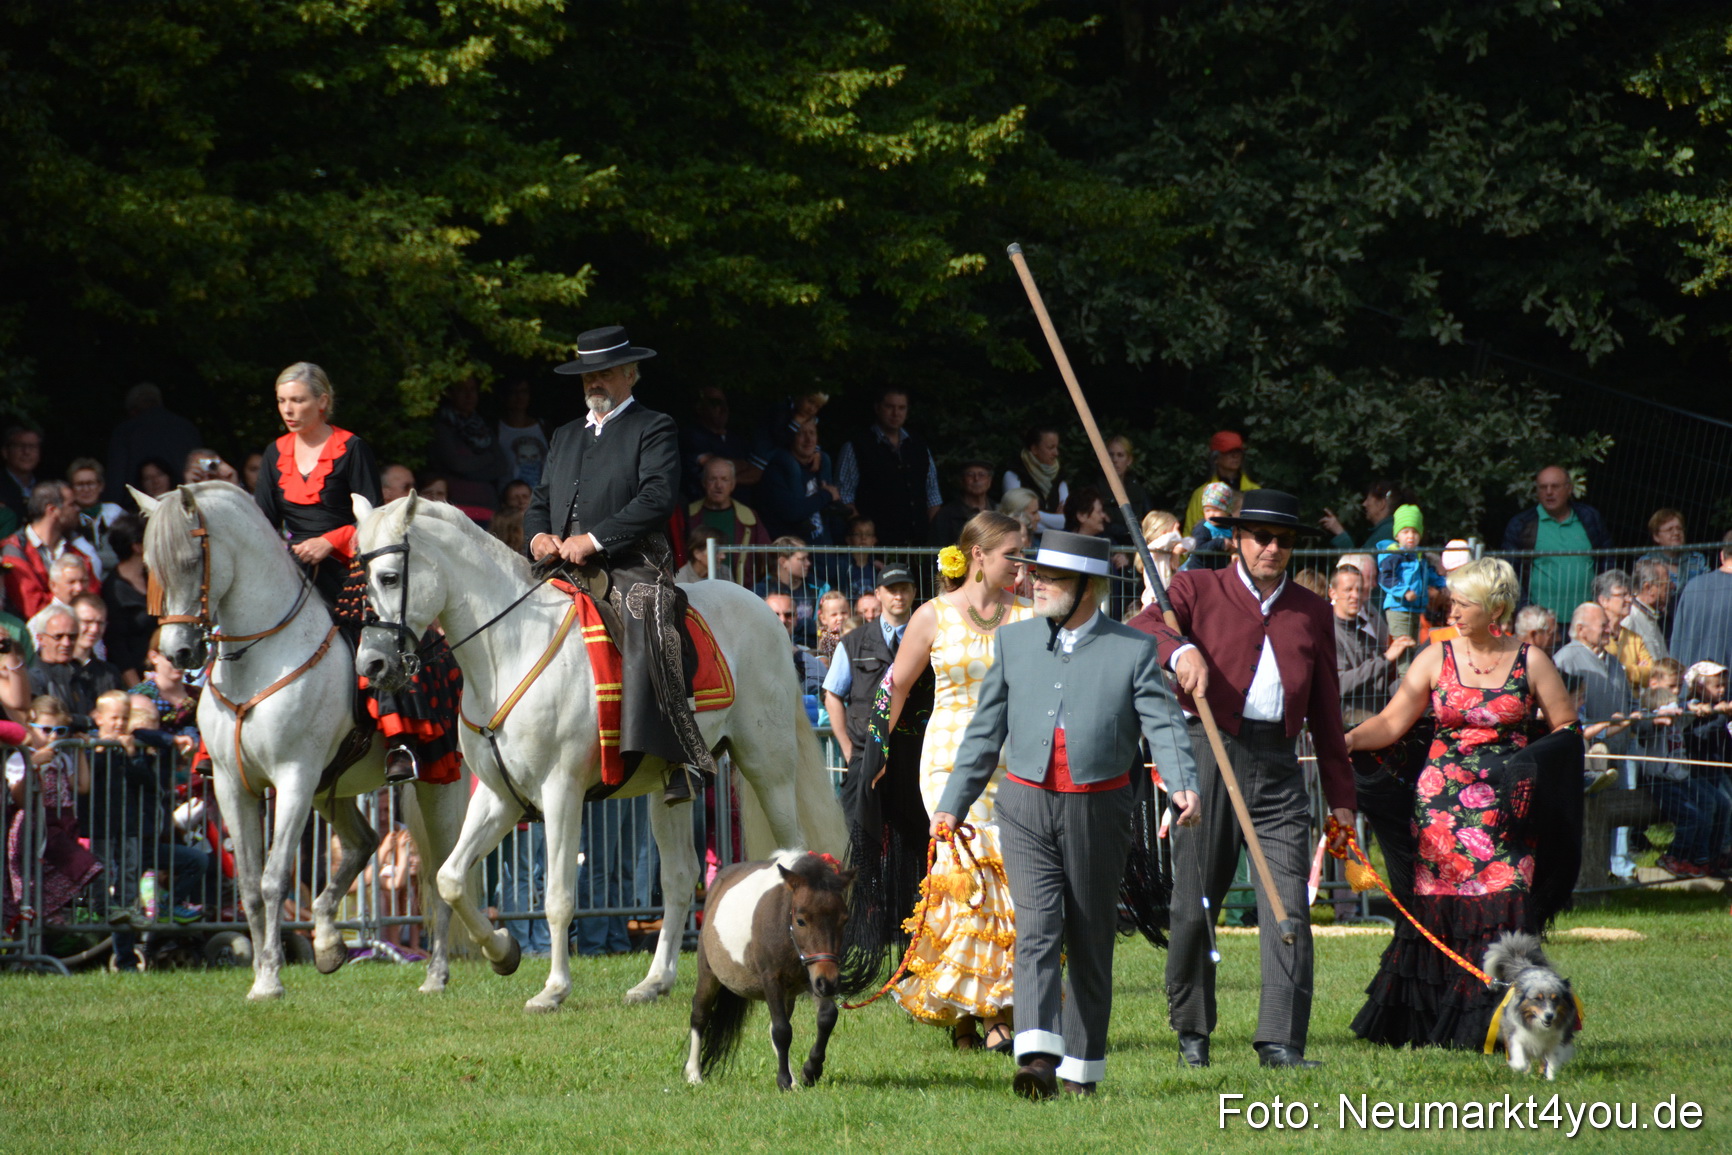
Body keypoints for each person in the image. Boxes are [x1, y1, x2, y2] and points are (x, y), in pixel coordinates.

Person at [930, 530, 1198, 1099]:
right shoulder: (1016, 641)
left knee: (1090, 936)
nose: (1036, 582)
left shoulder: (1132, 650)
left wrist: (1182, 787)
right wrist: (952, 803)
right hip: (1023, 805)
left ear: (1088, 587)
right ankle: (1035, 1057)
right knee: (1037, 927)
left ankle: (1081, 1072)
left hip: (1099, 809)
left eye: (1050, 576)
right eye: (1036, 573)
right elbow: (983, 734)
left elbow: (1165, 727)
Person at [1128, 488, 1356, 1070]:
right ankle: (1193, 1035)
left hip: (1279, 767)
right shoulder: (1195, 587)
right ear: (1236, 538)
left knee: (1289, 907)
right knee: (1193, 902)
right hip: (1206, 753)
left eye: (1282, 539)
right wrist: (1180, 652)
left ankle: (1281, 1041)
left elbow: (1329, 716)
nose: (1272, 548)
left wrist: (1343, 802)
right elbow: (1142, 627)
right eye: (1260, 537)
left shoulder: (1312, 610)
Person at [1344, 557, 1580, 1048]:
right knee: (1440, 908)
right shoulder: (1435, 657)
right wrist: (1342, 741)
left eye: (1463, 603)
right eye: (1451, 601)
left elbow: (1566, 731)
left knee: (1509, 900)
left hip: (1508, 813)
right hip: (1439, 812)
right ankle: (1434, 1024)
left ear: (1494, 608)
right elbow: (1390, 724)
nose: (1451, 610)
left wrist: (1534, 768)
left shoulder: (1532, 660)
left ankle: (1507, 1025)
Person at [526, 325, 716, 806]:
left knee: (647, 611)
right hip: (560, 565)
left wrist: (592, 540)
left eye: (605, 373)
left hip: (632, 562)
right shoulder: (566, 435)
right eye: (588, 375)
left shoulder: (654, 426)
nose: (595, 383)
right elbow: (541, 500)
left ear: (630, 374)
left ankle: (677, 756)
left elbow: (656, 497)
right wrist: (537, 536)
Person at [256, 360, 461, 787]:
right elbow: (263, 519)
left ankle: (401, 742)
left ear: (323, 402)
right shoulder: (275, 452)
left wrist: (329, 541)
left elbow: (372, 517)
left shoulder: (352, 448)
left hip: (347, 565)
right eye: (282, 401)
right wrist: (279, 551)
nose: (288, 410)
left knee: (379, 635)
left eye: (298, 400)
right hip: (292, 566)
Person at [884, 512, 1032, 1052]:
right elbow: (893, 686)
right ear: (979, 556)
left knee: (1009, 883)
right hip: (947, 763)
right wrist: (875, 749)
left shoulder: (1031, 615)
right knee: (966, 880)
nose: (1021, 563)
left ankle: (979, 1011)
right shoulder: (933, 615)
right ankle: (986, 1014)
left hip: (1012, 762)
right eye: (1013, 553)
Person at [824, 567, 930, 972]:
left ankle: (913, 938)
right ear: (878, 593)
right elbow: (833, 694)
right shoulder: (853, 642)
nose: (899, 595)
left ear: (913, 591)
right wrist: (850, 749)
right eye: (891, 588)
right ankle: (864, 939)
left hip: (914, 760)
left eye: (905, 587)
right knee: (861, 846)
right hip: (865, 761)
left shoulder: (930, 638)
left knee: (916, 849)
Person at [4, 695, 100, 930]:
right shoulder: (20, 757)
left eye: (60, 731)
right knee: (73, 866)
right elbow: (19, 798)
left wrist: (78, 751)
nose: (54, 737)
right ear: (30, 727)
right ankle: (27, 934)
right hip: (35, 825)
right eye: (46, 730)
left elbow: (82, 786)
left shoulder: (62, 758)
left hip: (62, 824)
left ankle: (43, 925)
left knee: (59, 872)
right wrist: (33, 764)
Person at [1500, 465, 1613, 624]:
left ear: (1569, 489)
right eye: (1543, 487)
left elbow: (1607, 563)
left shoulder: (1589, 518)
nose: (1549, 492)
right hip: (1541, 625)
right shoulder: (1521, 524)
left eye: (1555, 486)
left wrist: (1601, 605)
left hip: (1587, 620)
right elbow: (1510, 574)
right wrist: (1526, 611)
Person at [835, 388, 943, 548]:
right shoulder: (857, 446)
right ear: (877, 408)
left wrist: (931, 535)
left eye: (901, 408)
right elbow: (844, 496)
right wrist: (864, 535)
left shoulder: (919, 446)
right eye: (889, 407)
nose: (895, 413)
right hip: (876, 545)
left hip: (919, 545)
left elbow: (933, 496)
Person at [3, 481, 102, 619]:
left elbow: (93, 602)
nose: (78, 508)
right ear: (52, 510)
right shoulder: (13, 550)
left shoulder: (77, 553)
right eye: (72, 504)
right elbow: (34, 608)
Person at [1331, 565, 1408, 724]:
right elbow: (1339, 684)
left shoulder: (1367, 637)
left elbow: (1386, 685)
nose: (1355, 595)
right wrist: (1385, 659)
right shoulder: (1327, 635)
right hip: (1345, 728)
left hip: (1377, 725)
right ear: (1333, 593)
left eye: (1359, 590)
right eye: (1348, 589)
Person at [103, 382, 203, 505]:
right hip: (187, 503)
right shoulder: (187, 428)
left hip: (141, 508)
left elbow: (117, 477)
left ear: (133, 411)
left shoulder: (126, 432)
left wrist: (112, 507)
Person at [1376, 505, 1445, 673]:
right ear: (1397, 535)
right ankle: (1405, 683)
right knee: (1403, 649)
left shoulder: (1420, 556)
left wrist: (1446, 584)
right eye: (1405, 532)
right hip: (1398, 608)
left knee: (1414, 648)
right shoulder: (1393, 555)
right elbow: (1385, 578)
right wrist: (1404, 591)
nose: (1410, 537)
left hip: (1415, 609)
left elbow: (1430, 575)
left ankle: (1412, 679)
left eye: (1415, 532)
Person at [686, 457, 770, 582]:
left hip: (740, 590)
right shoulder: (689, 514)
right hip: (695, 589)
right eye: (712, 479)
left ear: (733, 484)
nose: (718, 485)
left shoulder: (748, 516)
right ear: (703, 482)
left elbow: (766, 553)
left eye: (724, 480)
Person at [758, 416, 838, 545]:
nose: (808, 439)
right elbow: (792, 511)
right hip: (794, 556)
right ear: (791, 438)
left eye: (812, 433)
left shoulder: (820, 466)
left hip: (825, 552)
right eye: (801, 433)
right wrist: (826, 495)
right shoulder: (777, 471)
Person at [29, 606, 124, 715]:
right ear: (40, 639)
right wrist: (89, 721)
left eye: (72, 637)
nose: (66, 643)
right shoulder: (31, 676)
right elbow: (49, 718)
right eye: (58, 637)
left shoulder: (82, 672)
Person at [679, 385, 759, 501]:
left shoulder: (737, 439)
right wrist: (741, 466)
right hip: (704, 512)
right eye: (715, 403)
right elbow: (713, 465)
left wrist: (726, 478)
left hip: (739, 514)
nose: (723, 408)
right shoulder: (691, 436)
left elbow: (755, 472)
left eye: (725, 403)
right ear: (700, 407)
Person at [1670, 530, 1732, 673]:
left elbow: (1677, 641)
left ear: (1722, 555)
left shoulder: (1693, 587)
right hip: (1726, 688)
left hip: (1691, 684)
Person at [751, 536, 827, 648]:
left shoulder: (819, 588)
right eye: (802, 559)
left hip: (811, 647)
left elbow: (822, 626)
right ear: (783, 562)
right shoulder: (761, 591)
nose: (808, 563)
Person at [1636, 507, 1710, 614]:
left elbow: (1708, 588)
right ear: (1656, 537)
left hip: (1695, 613)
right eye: (1669, 529)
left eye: (1679, 528)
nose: (1676, 533)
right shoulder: (1646, 562)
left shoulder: (1697, 559)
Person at [1182, 429, 1259, 533]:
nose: (1235, 456)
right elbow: (1190, 534)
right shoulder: (1201, 493)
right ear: (1215, 458)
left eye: (1238, 452)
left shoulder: (1255, 491)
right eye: (1229, 452)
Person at [1592, 569, 1652, 693]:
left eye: (1630, 594)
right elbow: (1602, 672)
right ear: (1604, 600)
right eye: (1622, 595)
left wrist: (1624, 670)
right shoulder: (1594, 636)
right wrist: (1637, 671)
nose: (1629, 600)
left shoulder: (1634, 638)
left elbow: (1651, 673)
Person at [1001, 427, 1067, 533]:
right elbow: (1017, 518)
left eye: (1057, 447)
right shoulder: (1014, 475)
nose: (1056, 453)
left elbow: (1066, 520)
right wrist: (1055, 519)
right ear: (1034, 449)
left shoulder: (1059, 477)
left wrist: (1031, 515)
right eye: (1051, 447)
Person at [67, 458, 126, 574]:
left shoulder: (115, 513)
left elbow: (129, 555)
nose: (86, 489)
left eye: (90, 483)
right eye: (80, 485)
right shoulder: (68, 519)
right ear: (71, 489)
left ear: (101, 486)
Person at [1321, 479, 1411, 552]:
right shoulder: (1390, 528)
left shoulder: (1386, 532)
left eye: (1368, 499)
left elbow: (1361, 563)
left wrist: (1339, 532)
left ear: (1381, 504)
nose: (1364, 504)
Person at [24, 553, 93, 643]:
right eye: (71, 582)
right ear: (53, 586)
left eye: (83, 581)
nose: (79, 588)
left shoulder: (93, 619)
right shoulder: (39, 623)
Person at [496, 378, 551, 490]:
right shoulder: (496, 428)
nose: (519, 397)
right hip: (507, 496)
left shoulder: (544, 427)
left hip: (541, 496)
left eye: (523, 392)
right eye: (513, 392)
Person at [930, 460, 995, 550]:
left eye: (981, 475)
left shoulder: (998, 510)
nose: (976, 479)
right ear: (961, 480)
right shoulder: (946, 515)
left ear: (989, 480)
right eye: (970, 475)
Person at [1175, 481, 1236, 571]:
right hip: (1198, 571)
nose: (1211, 514)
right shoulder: (1203, 528)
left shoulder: (1232, 528)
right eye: (1207, 510)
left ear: (1227, 511)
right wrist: (1220, 543)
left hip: (1219, 572)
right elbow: (1198, 550)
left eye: (1216, 510)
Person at [0, 426, 43, 536]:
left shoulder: (46, 487)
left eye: (32, 447)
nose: (26, 452)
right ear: (5, 452)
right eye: (20, 446)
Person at [833, 515, 883, 599]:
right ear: (848, 539)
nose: (863, 538)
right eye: (857, 534)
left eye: (868, 534)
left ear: (874, 540)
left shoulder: (876, 568)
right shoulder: (840, 564)